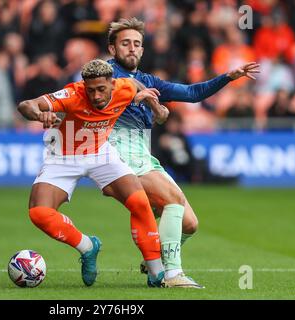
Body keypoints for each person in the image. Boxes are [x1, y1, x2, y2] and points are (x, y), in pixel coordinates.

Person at [106, 17, 260, 288]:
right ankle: (172, 274)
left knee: (189, 224)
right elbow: (93, 97)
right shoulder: (105, 77)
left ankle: (155, 259)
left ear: (142, 50)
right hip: (118, 157)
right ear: (112, 49)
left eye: (137, 44)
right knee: (174, 200)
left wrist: (228, 77)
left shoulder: (146, 80)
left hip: (142, 157)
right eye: (125, 43)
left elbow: (191, 92)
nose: (132, 48)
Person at [17, 59, 171, 287]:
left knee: (139, 201)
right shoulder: (72, 94)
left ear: (112, 83)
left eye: (101, 89)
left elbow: (135, 85)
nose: (96, 96)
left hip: (101, 152)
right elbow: (26, 105)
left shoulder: (125, 87)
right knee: (39, 213)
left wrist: (150, 99)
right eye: (91, 91)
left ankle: (156, 273)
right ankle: (88, 246)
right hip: (63, 155)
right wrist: (40, 115)